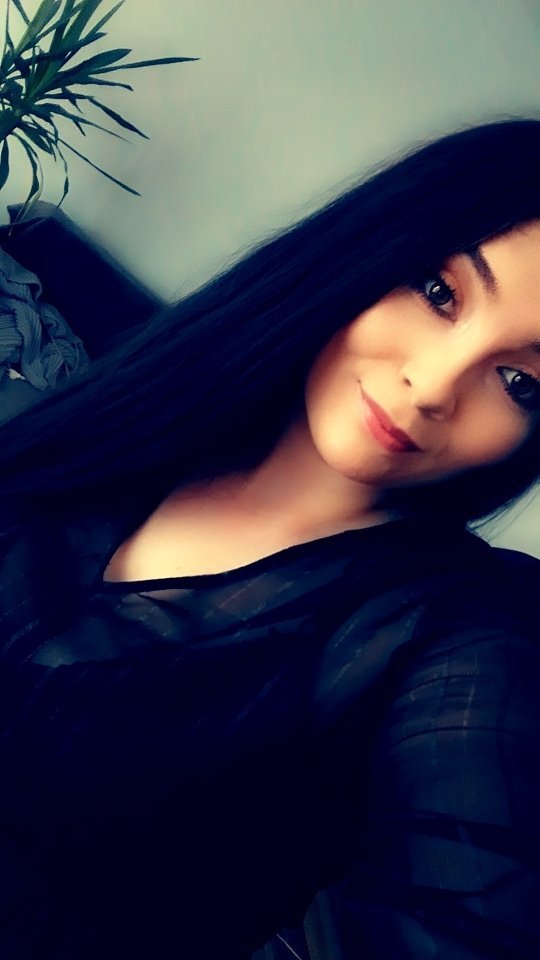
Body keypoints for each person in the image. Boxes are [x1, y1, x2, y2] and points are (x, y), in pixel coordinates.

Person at [0, 118, 539, 959]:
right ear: (371, 246)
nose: (433, 385)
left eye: (519, 381)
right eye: (439, 291)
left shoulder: (450, 632)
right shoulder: (135, 413)